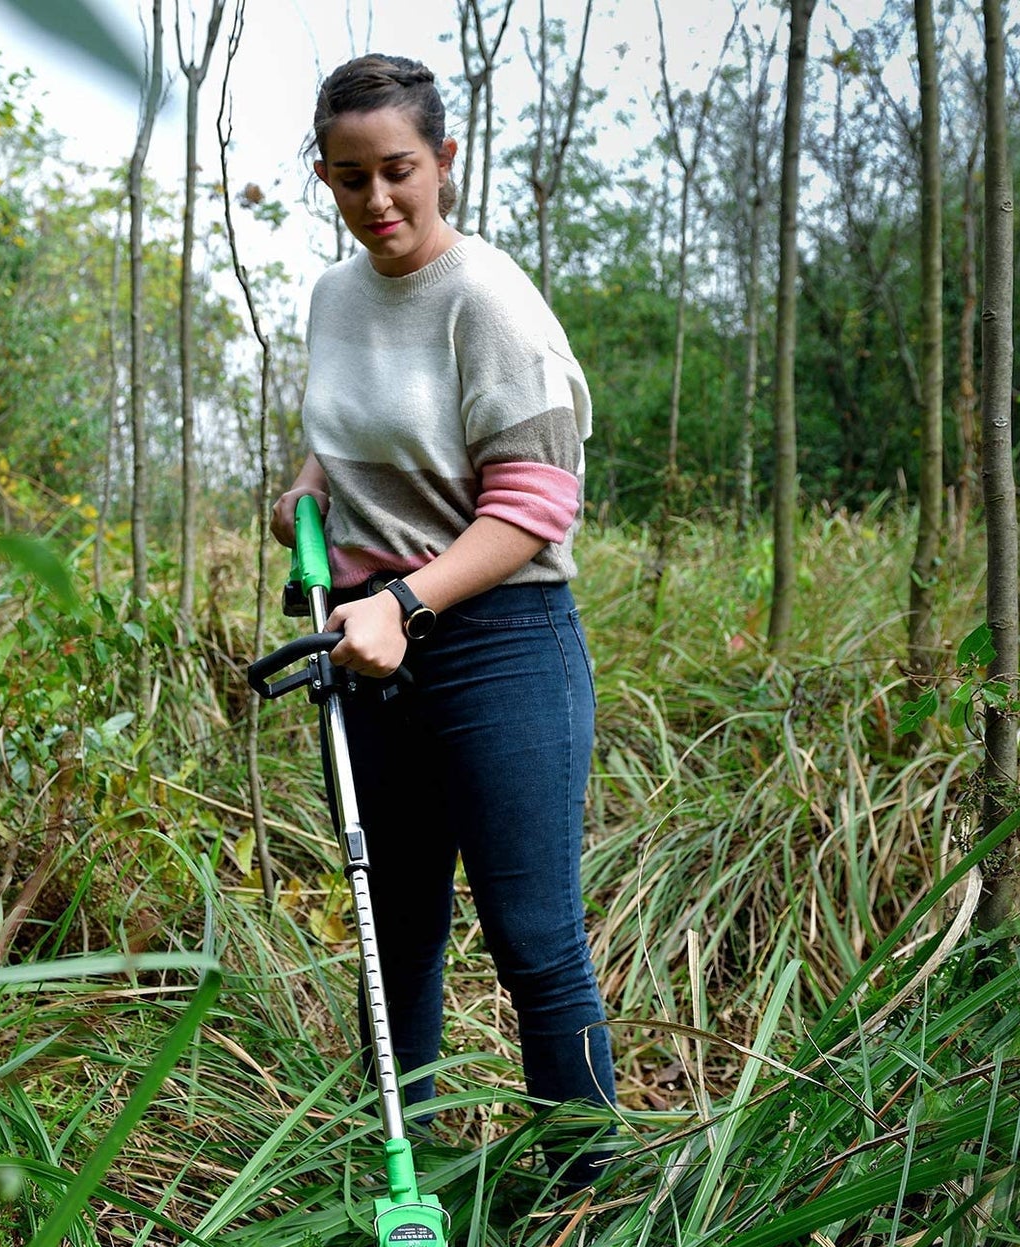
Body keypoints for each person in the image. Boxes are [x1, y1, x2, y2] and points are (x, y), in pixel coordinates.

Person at [271, 53, 616, 1183]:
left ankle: (584, 1197)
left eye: (399, 172)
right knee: (393, 936)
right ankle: (396, 1183)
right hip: (365, 647)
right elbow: (348, 423)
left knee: (532, 941)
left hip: (498, 645)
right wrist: (313, 485)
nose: (377, 200)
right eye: (349, 176)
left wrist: (407, 602)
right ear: (323, 176)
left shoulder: (489, 299)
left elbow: (534, 503)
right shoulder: (332, 294)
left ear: (444, 162)